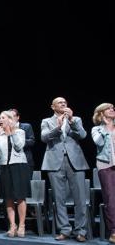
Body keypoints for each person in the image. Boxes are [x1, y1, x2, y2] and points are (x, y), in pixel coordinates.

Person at [41, 97, 89, 242]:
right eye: (60, 103)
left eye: (65, 102)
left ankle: (81, 231)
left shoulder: (76, 119)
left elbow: (83, 135)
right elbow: (44, 137)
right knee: (59, 198)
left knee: (80, 198)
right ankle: (65, 230)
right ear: (52, 106)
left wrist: (72, 120)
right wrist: (57, 127)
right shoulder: (47, 121)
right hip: (55, 162)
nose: (63, 104)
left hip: (75, 161)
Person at [0, 111, 30, 237]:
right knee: (8, 197)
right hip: (4, 167)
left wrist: (11, 132)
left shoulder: (19, 132)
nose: (0, 120)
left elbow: (19, 146)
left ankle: (22, 225)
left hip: (18, 166)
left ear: (9, 119)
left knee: (20, 196)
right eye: (0, 117)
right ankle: (12, 225)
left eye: (3, 117)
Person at [91, 103, 115, 243]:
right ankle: (113, 231)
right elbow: (99, 143)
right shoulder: (97, 129)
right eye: (109, 108)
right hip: (106, 166)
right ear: (101, 113)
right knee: (111, 199)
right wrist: (107, 127)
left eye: (113, 108)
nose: (112, 109)